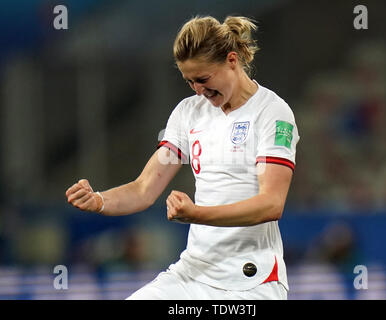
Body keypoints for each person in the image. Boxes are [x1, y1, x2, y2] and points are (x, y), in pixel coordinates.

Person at [65, 15, 300, 300]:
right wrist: (100, 200)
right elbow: (143, 189)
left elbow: (271, 204)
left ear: (232, 60)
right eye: (190, 82)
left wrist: (196, 214)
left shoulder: (272, 113)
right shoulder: (189, 112)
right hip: (193, 272)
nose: (198, 90)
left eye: (203, 79)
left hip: (251, 281)